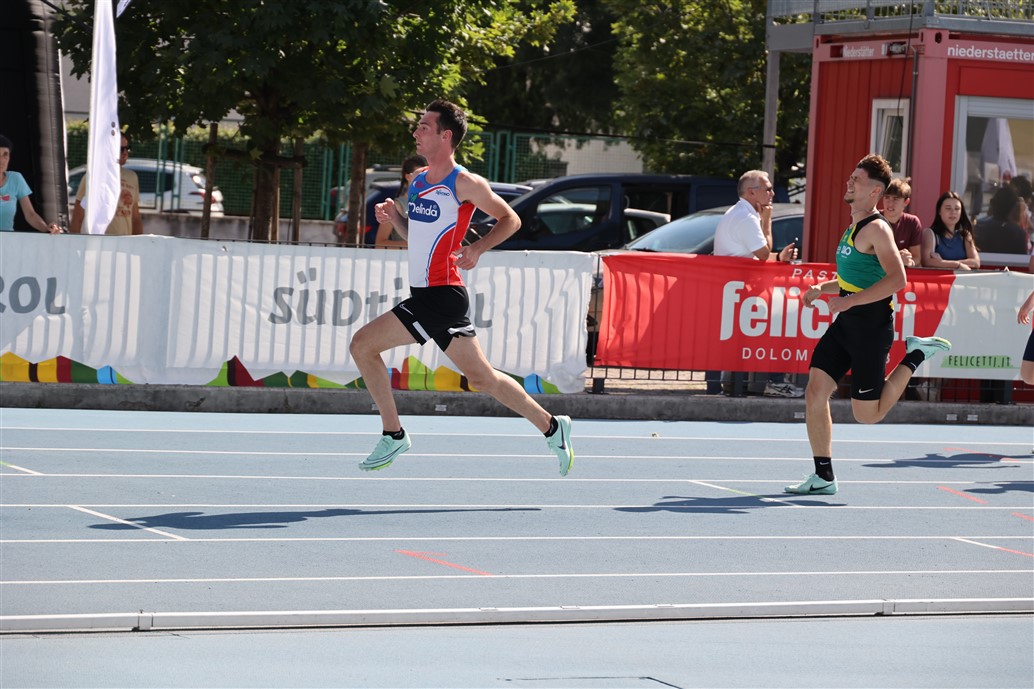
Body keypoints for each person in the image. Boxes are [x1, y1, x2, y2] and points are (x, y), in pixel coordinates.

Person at [349, 99, 574, 475]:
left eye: (424, 126)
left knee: (362, 345)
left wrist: (478, 247)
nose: (416, 132)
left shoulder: (465, 182)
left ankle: (393, 433)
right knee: (483, 378)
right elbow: (416, 235)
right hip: (430, 295)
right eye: (418, 125)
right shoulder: (419, 180)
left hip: (442, 295)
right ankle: (553, 427)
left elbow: (511, 219)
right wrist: (395, 218)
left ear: (445, 135)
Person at [788, 155, 951, 496]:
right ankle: (824, 475)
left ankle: (916, 354)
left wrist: (848, 302)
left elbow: (898, 280)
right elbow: (855, 278)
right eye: (851, 177)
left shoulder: (877, 228)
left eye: (857, 179)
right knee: (815, 392)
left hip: (871, 328)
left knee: (868, 415)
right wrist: (823, 289)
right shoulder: (854, 226)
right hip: (847, 324)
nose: (849, 182)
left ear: (875, 191)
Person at [712, 169, 802, 398]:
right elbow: (763, 253)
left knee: (743, 337)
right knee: (780, 325)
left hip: (736, 290)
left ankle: (731, 384)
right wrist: (767, 220)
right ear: (752, 192)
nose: (772, 193)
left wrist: (779, 257)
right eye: (768, 189)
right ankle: (774, 382)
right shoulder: (748, 217)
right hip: (742, 291)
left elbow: (753, 254)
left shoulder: (738, 212)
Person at [69, 134, 143, 235]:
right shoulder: (93, 177)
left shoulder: (132, 177)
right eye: (121, 149)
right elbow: (78, 217)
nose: (125, 153)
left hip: (124, 242)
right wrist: (75, 242)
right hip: (98, 241)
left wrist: (138, 241)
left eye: (127, 148)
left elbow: (135, 218)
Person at [0, 135, 63, 234]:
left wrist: (47, 229)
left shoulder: (15, 178)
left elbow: (30, 215)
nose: (2, 160)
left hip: (8, 241)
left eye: (5, 154)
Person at [373, 154, 427, 249]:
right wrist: (415, 245)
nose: (424, 179)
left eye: (426, 174)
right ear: (408, 177)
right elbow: (380, 243)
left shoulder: (429, 203)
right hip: (403, 257)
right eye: (419, 175)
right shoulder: (397, 206)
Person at [920, 192, 979, 270]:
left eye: (957, 209)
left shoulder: (965, 235)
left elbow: (976, 262)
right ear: (939, 211)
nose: (953, 212)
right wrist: (957, 265)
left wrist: (942, 262)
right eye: (948, 208)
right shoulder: (930, 234)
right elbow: (926, 261)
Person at [879, 177, 923, 267]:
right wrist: (897, 258)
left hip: (901, 274)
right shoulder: (872, 219)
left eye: (896, 199)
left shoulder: (913, 222)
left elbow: (917, 258)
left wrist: (909, 262)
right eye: (887, 197)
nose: (890, 204)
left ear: (906, 202)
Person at [973, 186, 1028, 254]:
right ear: (1013, 207)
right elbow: (1022, 258)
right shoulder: (1019, 234)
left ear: (993, 203)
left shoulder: (979, 227)